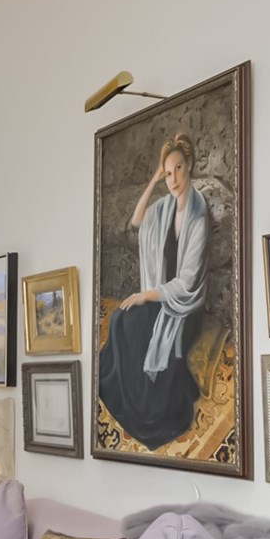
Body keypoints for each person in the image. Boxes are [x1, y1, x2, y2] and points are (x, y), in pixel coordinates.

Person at [96, 133, 208, 449]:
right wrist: (153, 180)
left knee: (130, 325)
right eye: (168, 172)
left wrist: (145, 295)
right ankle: (126, 401)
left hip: (184, 308)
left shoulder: (197, 218)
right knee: (120, 320)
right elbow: (136, 219)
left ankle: (148, 417)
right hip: (160, 298)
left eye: (178, 169)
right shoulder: (164, 208)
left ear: (190, 168)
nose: (173, 178)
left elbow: (186, 284)